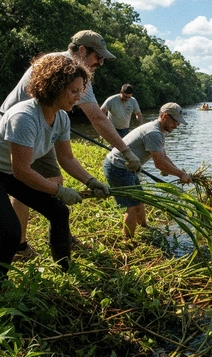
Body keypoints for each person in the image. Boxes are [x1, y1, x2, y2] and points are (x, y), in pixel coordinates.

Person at [0, 30, 141, 259]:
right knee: (18, 197)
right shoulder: (64, 72)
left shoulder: (71, 93)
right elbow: (97, 118)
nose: (101, 63)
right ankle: (19, 244)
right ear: (82, 50)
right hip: (18, 132)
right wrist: (125, 151)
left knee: (56, 193)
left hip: (48, 122)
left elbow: (67, 158)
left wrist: (90, 181)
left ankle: (59, 238)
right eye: (99, 57)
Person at [0, 54, 110, 278]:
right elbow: (22, 170)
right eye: (73, 91)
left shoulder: (61, 119)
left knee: (59, 212)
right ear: (54, 87)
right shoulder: (24, 117)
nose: (78, 98)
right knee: (9, 233)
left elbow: (67, 158)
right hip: (7, 172)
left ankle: (65, 270)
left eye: (80, 91)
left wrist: (91, 181)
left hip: (10, 173)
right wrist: (59, 190)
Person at [103, 102, 192, 237]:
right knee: (132, 205)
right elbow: (160, 164)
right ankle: (128, 240)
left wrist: (180, 172)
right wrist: (181, 175)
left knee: (140, 199)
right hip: (118, 167)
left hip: (129, 168)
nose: (177, 126)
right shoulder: (154, 133)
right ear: (165, 116)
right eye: (175, 122)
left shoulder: (159, 131)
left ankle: (144, 227)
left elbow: (164, 157)